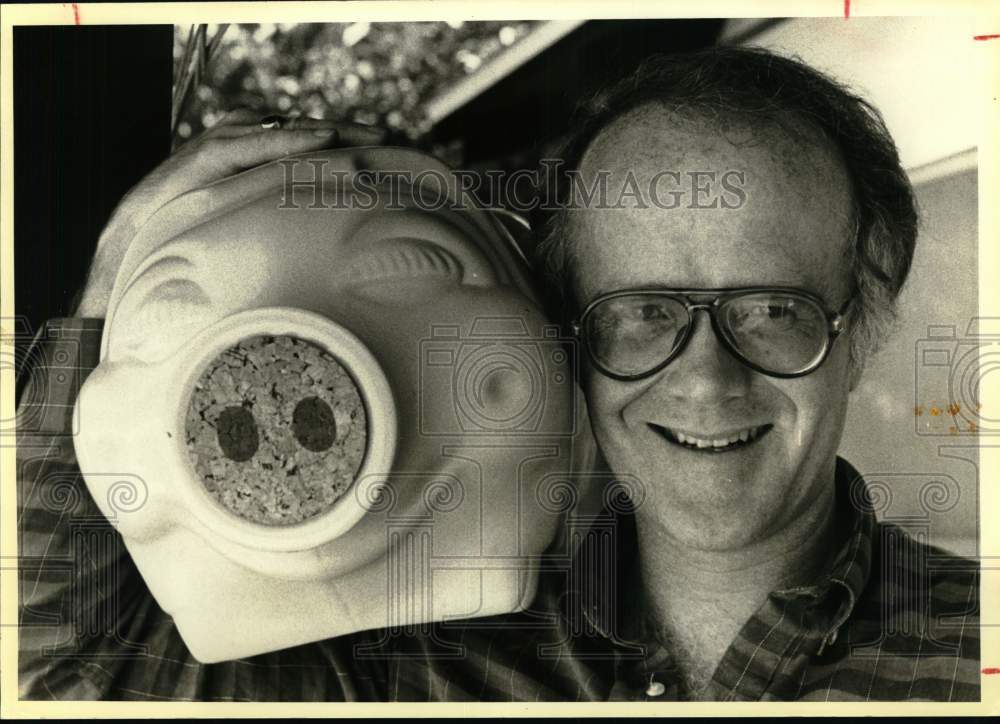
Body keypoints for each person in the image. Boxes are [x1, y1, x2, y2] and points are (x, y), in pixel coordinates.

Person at [16, 47, 979, 702]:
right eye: (641, 314)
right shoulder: (435, 656)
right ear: (566, 336)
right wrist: (118, 279)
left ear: (867, 322)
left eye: (774, 311)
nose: (705, 381)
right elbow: (64, 679)